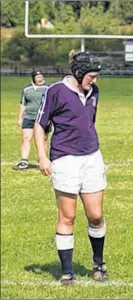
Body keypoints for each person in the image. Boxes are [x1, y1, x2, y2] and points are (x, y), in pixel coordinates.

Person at [34, 50, 108, 285]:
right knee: (68, 215)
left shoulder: (94, 92)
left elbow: (89, 122)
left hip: (92, 157)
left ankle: (98, 264)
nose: (94, 82)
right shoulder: (55, 91)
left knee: (95, 215)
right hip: (65, 160)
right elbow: (39, 125)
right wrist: (42, 157)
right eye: (92, 77)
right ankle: (67, 273)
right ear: (78, 73)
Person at [13, 70, 50, 170]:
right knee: (26, 138)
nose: (40, 79)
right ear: (33, 79)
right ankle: (24, 161)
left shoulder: (47, 88)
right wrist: (20, 118)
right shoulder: (26, 89)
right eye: (38, 77)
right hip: (29, 117)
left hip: (43, 118)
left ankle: (41, 161)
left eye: (41, 77)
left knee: (43, 139)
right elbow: (23, 104)